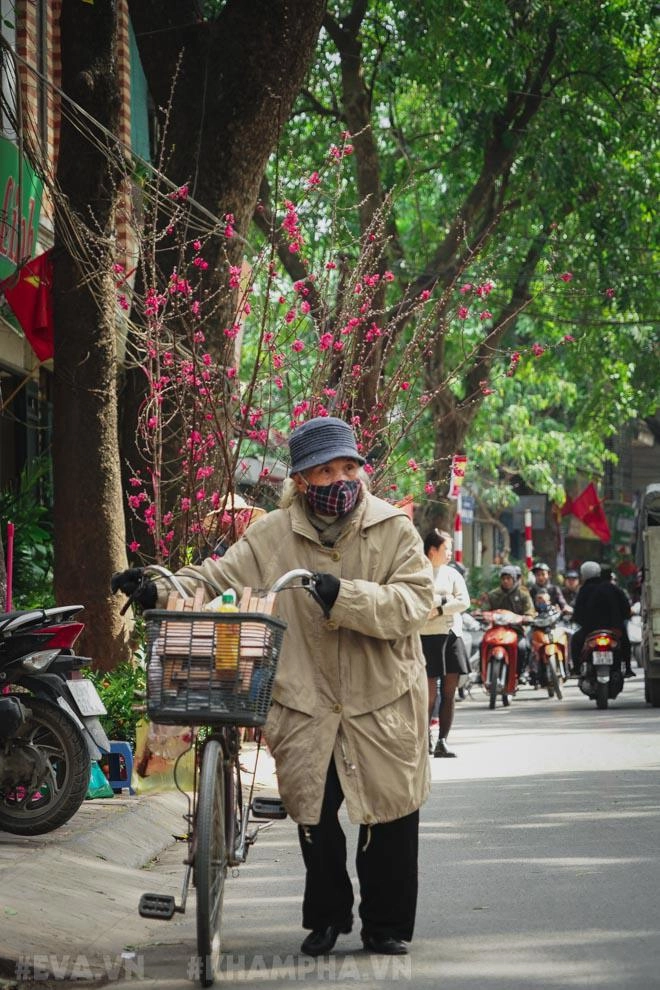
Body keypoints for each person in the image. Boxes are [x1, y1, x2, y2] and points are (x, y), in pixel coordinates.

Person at [112, 416, 434, 958]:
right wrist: (157, 585)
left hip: (382, 699)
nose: (340, 479)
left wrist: (345, 595)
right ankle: (328, 917)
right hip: (305, 699)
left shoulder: (394, 530)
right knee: (315, 813)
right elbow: (214, 577)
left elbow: (415, 602)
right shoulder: (271, 534)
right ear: (302, 480)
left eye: (348, 467)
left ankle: (386, 924)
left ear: (361, 469)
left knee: (390, 814)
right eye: (325, 471)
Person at [420, 529, 470, 758]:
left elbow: (464, 602)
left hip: (452, 634)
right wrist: (447, 599)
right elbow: (420, 602)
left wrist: (440, 607)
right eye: (446, 548)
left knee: (450, 691)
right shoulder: (418, 571)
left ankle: (442, 740)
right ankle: (424, 739)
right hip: (428, 636)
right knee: (429, 694)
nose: (449, 553)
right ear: (432, 550)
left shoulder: (453, 574)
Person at [571, 561, 634, 676]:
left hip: (590, 630)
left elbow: (578, 612)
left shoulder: (584, 590)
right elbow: (625, 608)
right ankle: (628, 669)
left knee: (575, 640)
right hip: (614, 629)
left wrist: (578, 621)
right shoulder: (611, 588)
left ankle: (576, 669)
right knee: (625, 642)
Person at [481, 565, 535, 679]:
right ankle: (482, 673)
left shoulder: (523, 594)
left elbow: (530, 611)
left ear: (514, 579)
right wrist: (482, 615)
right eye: (503, 578)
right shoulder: (493, 594)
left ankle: (520, 674)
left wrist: (527, 617)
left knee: (523, 647)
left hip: (516, 630)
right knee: (483, 645)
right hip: (495, 630)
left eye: (508, 578)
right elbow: (484, 610)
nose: (505, 581)